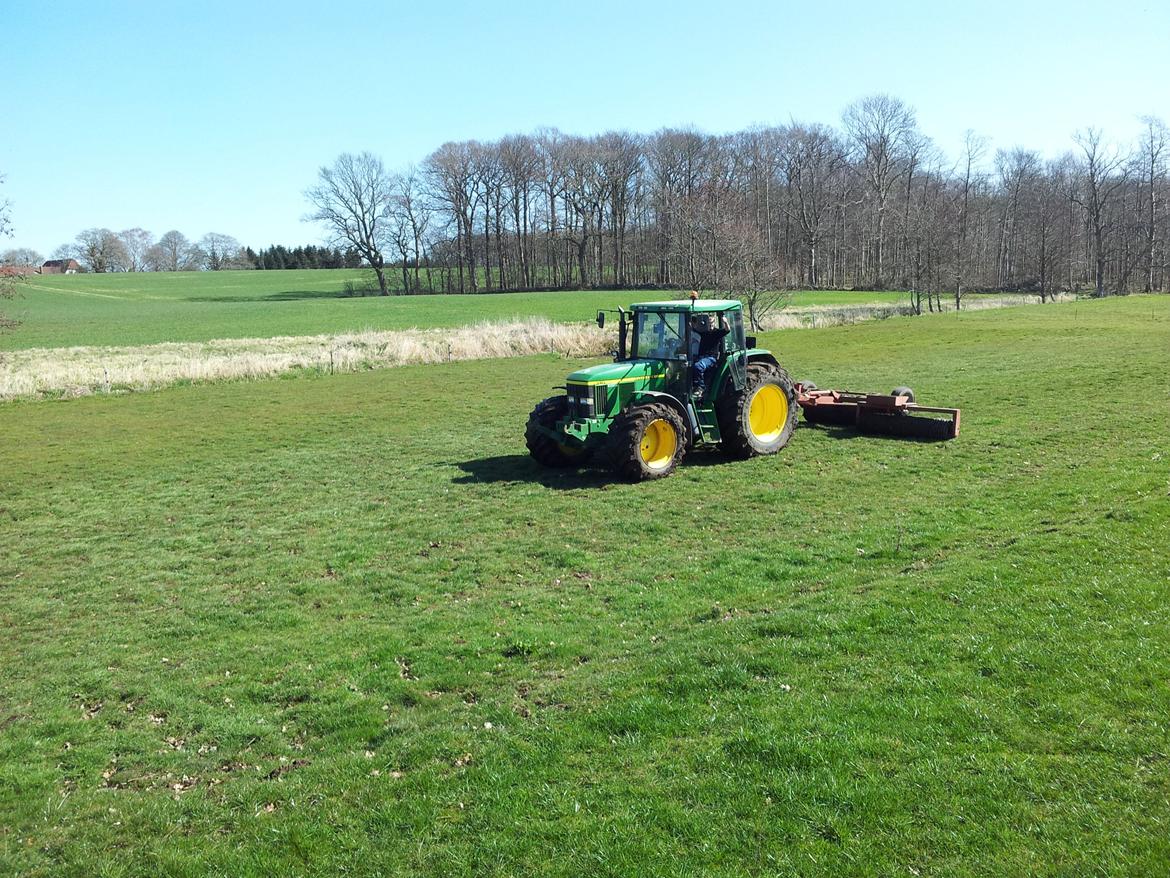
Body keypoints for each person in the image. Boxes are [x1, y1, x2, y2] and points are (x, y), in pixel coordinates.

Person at [690, 311, 730, 397]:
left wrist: (725, 322)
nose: (710, 325)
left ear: (714, 322)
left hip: (711, 358)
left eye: (712, 323)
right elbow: (693, 328)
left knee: (698, 366)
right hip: (701, 357)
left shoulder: (717, 332)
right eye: (709, 323)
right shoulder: (703, 332)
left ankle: (701, 388)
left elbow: (727, 330)